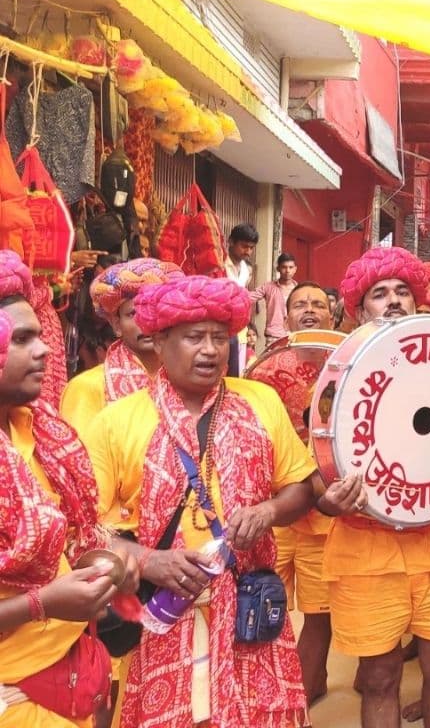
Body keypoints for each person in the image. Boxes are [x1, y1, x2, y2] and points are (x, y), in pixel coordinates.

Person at [84, 275, 364, 728]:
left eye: (220, 338)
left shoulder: (260, 400)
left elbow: (300, 486)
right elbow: (84, 534)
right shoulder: (117, 422)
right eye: (195, 338)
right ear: (159, 340)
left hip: (251, 619)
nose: (211, 350)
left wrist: (269, 511)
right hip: (164, 617)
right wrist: (148, 560)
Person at [330, 247, 430, 728]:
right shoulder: (338, 376)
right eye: (379, 293)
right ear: (360, 308)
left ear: (418, 301)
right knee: (382, 676)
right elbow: (317, 468)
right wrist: (329, 501)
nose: (392, 301)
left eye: (402, 291)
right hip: (365, 550)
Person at [0, 251, 137, 728]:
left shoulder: (37, 433)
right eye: (22, 339)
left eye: (39, 334)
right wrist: (45, 603)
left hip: (72, 674)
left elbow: (74, 537)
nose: (43, 351)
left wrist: (105, 562)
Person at [273, 281, 338, 705]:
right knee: (263, 606)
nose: (309, 310)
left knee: (318, 613)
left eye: (318, 304)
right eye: (300, 305)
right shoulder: (265, 370)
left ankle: (306, 688)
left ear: (332, 316)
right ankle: (273, 685)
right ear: (288, 317)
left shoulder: (346, 367)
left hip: (324, 516)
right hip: (274, 513)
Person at [61, 259, 184, 431]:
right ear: (116, 324)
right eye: (133, 313)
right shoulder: (87, 388)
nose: (145, 321)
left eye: (155, 311)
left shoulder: (188, 381)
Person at [224, 223, 258, 376]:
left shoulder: (245, 269)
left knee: (237, 371)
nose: (248, 252)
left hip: (239, 327)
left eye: (251, 248)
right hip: (222, 325)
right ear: (231, 242)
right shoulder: (219, 264)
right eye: (244, 246)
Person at [250, 253, 299, 344]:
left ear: (295, 269)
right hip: (274, 336)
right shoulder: (268, 287)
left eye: (291, 267)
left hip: (294, 335)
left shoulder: (299, 290)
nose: (287, 270)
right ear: (278, 268)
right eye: (284, 267)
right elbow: (248, 298)